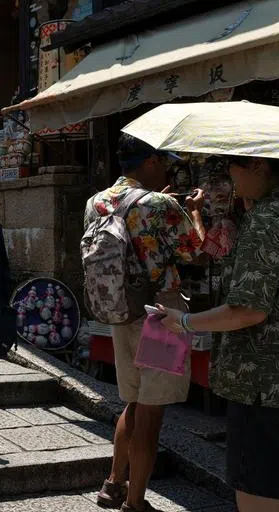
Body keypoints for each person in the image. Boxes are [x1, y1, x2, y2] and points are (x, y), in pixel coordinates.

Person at [158, 156, 279, 512]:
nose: (230, 178)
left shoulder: (268, 219)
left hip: (271, 391)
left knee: (262, 498)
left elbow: (248, 310)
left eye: (233, 167)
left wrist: (184, 322)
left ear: (259, 166)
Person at [87, 134, 206, 512]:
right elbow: (196, 251)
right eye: (164, 161)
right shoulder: (158, 203)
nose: (168, 167)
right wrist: (195, 212)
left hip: (119, 309)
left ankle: (113, 484)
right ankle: (136, 503)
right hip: (160, 316)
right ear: (150, 161)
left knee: (134, 402)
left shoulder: (98, 200)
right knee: (151, 413)